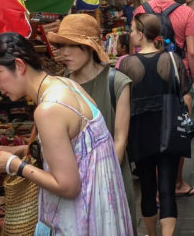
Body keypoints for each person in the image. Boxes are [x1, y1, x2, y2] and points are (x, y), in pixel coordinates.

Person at [0, 33, 132, 235]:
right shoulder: (67, 85)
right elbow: (78, 152)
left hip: (80, 219)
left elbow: (68, 186)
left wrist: (14, 165)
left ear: (19, 65)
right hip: (102, 211)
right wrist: (15, 150)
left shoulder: (48, 109)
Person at [47, 14, 136, 232]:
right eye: (61, 45)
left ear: (90, 47)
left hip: (110, 184)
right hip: (71, 188)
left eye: (73, 45)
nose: (64, 52)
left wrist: (98, 185)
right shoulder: (61, 84)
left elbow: (120, 141)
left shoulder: (117, 83)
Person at [119, 14, 190, 236]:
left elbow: (122, 102)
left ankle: (151, 234)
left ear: (141, 34)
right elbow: (186, 96)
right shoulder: (172, 60)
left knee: (148, 189)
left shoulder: (127, 64)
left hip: (139, 133)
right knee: (167, 188)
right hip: (169, 130)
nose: (130, 35)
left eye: (132, 30)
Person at [133, 0, 194, 197]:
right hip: (176, 75)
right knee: (179, 127)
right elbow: (191, 52)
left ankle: (155, 185)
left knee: (150, 126)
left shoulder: (141, 10)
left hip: (146, 73)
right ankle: (177, 183)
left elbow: (136, 45)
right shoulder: (186, 13)